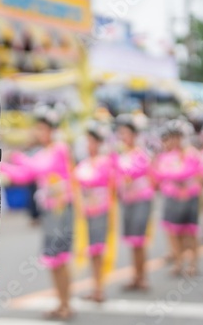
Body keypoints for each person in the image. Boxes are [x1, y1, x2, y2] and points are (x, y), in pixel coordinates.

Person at [1, 116, 74, 320]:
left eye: (42, 129)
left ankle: (66, 303)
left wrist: (17, 156)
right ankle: (62, 302)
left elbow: (38, 168)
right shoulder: (42, 152)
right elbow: (24, 175)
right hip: (49, 211)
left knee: (60, 257)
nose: (38, 133)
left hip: (61, 209)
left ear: (51, 130)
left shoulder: (59, 148)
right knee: (53, 258)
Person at [154, 120, 202, 277]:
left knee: (190, 232)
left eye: (177, 137)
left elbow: (189, 173)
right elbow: (159, 175)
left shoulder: (191, 153)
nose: (173, 141)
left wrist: (173, 176)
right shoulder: (166, 156)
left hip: (189, 197)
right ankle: (178, 262)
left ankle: (193, 263)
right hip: (172, 197)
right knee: (173, 232)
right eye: (171, 137)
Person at [74, 127, 114, 303]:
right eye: (87, 141)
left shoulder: (104, 162)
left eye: (92, 141)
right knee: (91, 250)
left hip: (100, 209)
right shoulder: (85, 163)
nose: (89, 145)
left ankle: (100, 288)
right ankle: (95, 287)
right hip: (87, 211)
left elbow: (96, 179)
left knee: (98, 249)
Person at [114, 118, 154, 291]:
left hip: (141, 199)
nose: (123, 137)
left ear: (135, 135)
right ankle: (136, 276)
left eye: (126, 133)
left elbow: (134, 171)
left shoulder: (141, 154)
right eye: (121, 133)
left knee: (139, 238)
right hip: (127, 200)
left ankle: (142, 276)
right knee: (132, 239)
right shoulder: (121, 154)